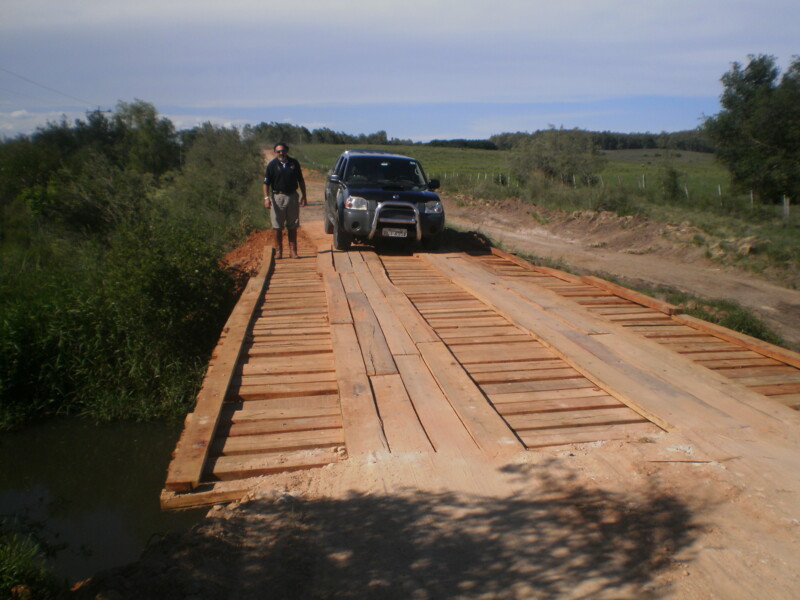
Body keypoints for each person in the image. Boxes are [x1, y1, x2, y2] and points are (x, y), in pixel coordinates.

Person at [263, 142, 307, 258]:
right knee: (277, 225)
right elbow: (266, 183)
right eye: (278, 151)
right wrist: (266, 198)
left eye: (282, 150)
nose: (281, 153)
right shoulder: (272, 165)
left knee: (293, 225)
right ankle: (279, 251)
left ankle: (293, 250)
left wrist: (304, 196)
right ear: (275, 152)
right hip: (277, 197)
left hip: (292, 196)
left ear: (287, 151)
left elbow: (301, 180)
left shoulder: (294, 163)